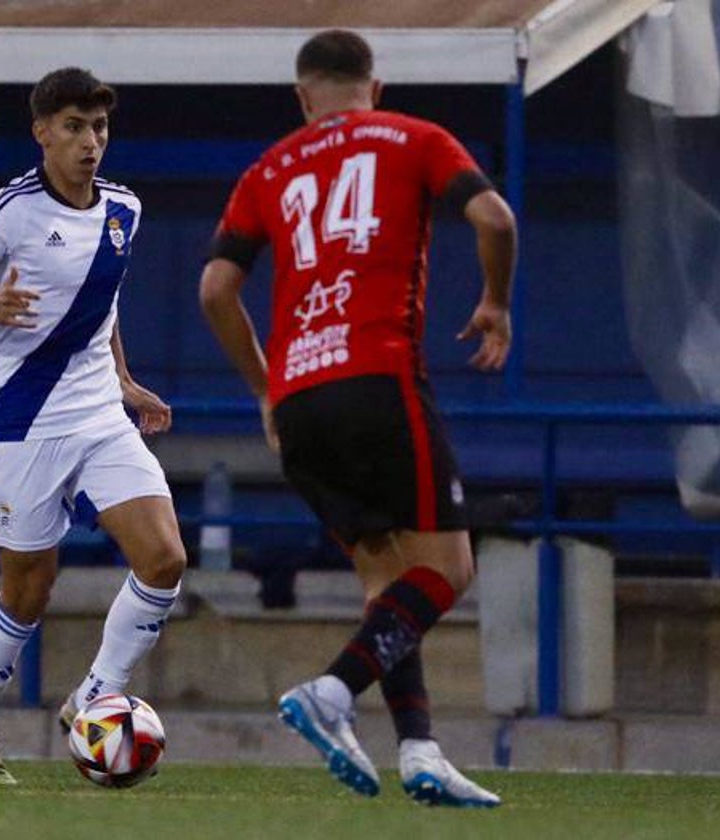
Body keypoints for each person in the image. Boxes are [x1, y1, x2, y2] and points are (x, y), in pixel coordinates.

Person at [199, 30, 515, 807]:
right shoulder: (414, 137)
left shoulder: (268, 167)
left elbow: (215, 288)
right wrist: (496, 303)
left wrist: (265, 389)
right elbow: (496, 219)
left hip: (301, 397)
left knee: (387, 580)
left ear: (304, 99)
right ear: (375, 88)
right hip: (378, 376)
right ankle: (333, 692)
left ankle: (419, 749)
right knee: (448, 568)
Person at [0, 67, 187, 785]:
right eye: (73, 128)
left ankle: (94, 698)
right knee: (29, 589)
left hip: (98, 415)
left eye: (98, 128)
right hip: (21, 422)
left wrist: (123, 382)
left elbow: (104, 302)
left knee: (164, 560)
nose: (89, 143)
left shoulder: (126, 209)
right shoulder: (9, 211)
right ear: (42, 133)